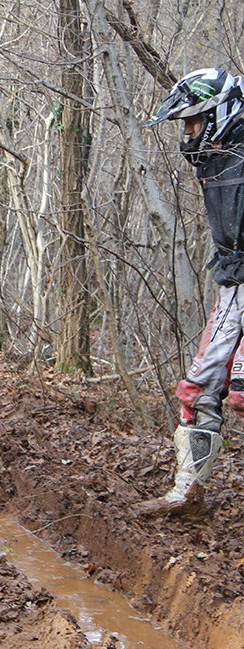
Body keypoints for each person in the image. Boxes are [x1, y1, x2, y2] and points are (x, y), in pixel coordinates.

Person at [138, 67, 244, 516]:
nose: (187, 133)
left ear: (220, 113)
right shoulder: (218, 159)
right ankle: (188, 493)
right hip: (234, 287)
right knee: (198, 390)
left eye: (193, 122)